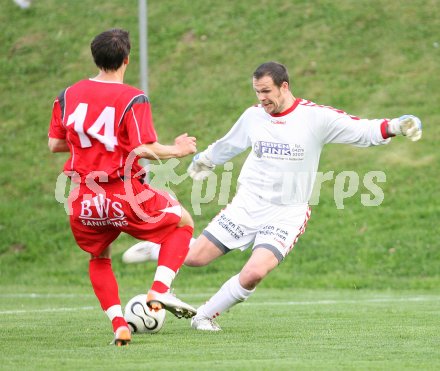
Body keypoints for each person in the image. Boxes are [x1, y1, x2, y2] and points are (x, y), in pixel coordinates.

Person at [122, 61, 423, 331]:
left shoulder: (314, 118)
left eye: (266, 91)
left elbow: (360, 130)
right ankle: (157, 250)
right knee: (194, 258)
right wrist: (205, 159)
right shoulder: (254, 116)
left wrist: (396, 126)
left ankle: (204, 316)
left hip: (287, 212)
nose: (262, 98)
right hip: (248, 204)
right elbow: (230, 143)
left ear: (284, 86)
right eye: (257, 92)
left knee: (254, 272)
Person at [48, 28, 198, 346]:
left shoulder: (67, 95)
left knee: (99, 257)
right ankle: (159, 289)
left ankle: (119, 324)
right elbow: (144, 148)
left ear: (95, 58)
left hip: (83, 198)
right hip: (122, 192)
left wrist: (93, 146)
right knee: (183, 223)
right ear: (126, 59)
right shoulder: (131, 98)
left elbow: (55, 143)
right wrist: (178, 150)